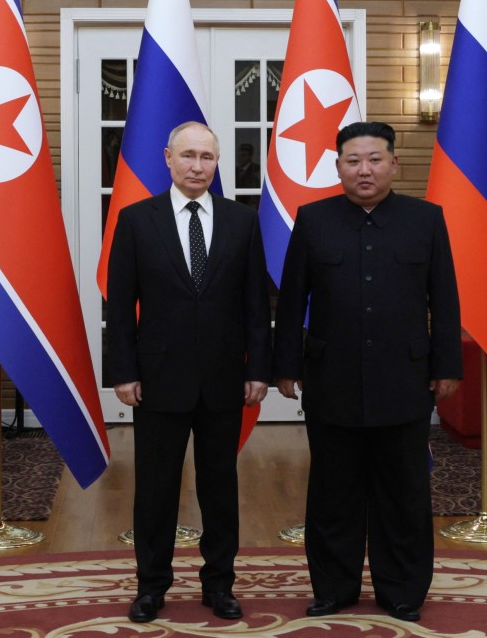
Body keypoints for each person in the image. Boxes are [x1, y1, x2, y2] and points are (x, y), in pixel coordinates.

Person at [273, 121, 462, 623]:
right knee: (334, 492)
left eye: (375, 159)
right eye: (353, 160)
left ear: (394, 164)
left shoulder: (426, 220)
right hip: (330, 380)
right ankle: (333, 588)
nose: (364, 170)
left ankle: (402, 589)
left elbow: (444, 300)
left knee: (402, 492)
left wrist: (446, 365)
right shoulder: (313, 220)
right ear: (337, 167)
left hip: (405, 380)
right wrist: (285, 365)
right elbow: (292, 300)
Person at [107, 121, 272, 624]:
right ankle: (151, 586)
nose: (198, 166)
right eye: (188, 156)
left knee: (220, 488)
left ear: (216, 163)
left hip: (225, 379)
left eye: (207, 157)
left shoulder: (242, 222)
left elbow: (254, 305)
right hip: (157, 381)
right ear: (168, 159)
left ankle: (219, 584)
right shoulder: (137, 220)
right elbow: (120, 303)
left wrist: (258, 369)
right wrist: (123, 370)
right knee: (155, 490)